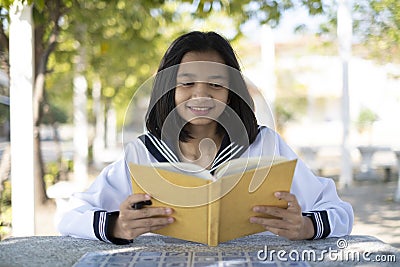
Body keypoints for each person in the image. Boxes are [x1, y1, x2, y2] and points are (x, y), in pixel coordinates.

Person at [58, 31, 353, 245]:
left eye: (215, 83)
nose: (201, 94)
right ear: (168, 90)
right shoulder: (143, 154)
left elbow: (340, 212)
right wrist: (117, 226)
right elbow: (71, 215)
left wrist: (305, 226)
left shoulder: (266, 146)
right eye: (186, 83)